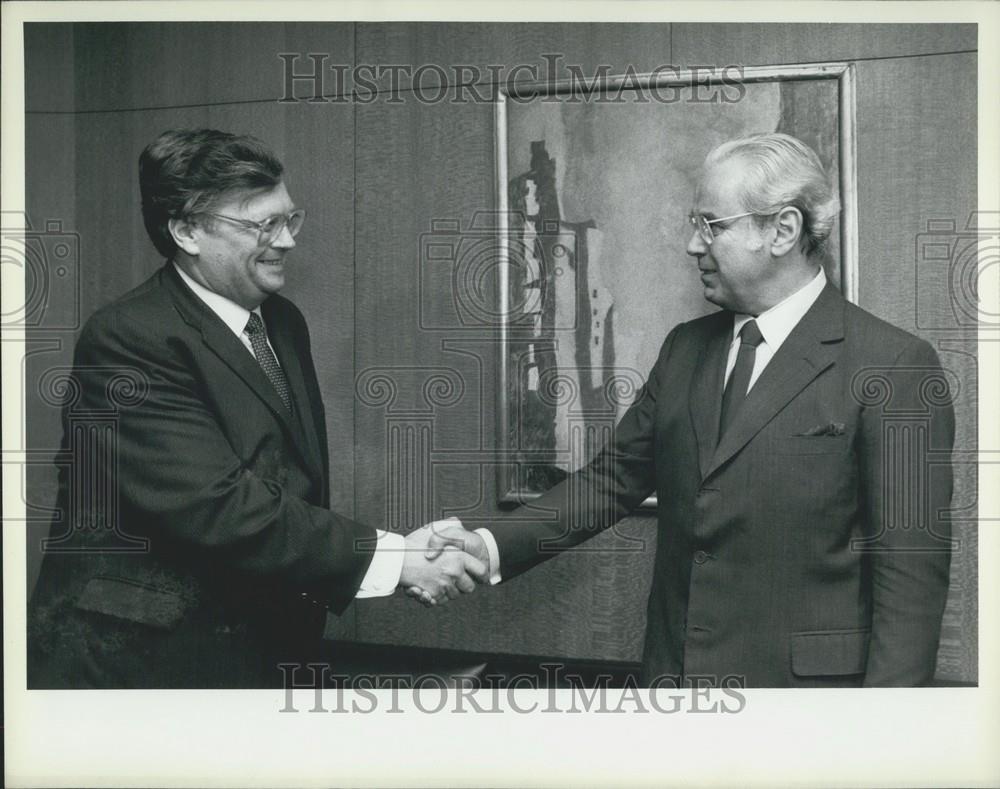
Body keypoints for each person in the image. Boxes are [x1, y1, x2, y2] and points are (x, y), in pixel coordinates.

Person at [417, 133, 955, 688]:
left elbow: (910, 579)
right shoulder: (685, 349)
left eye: (712, 225)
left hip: (808, 715)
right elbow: (610, 481)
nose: (693, 246)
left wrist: (888, 738)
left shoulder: (893, 366)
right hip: (675, 691)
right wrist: (486, 546)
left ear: (783, 230)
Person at [27, 128, 485, 689]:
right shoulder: (128, 338)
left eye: (290, 219)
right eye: (263, 224)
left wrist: (392, 556)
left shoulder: (283, 322)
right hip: (143, 665)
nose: (287, 240)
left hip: (260, 646)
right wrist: (393, 557)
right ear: (187, 230)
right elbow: (215, 505)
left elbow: (291, 485)